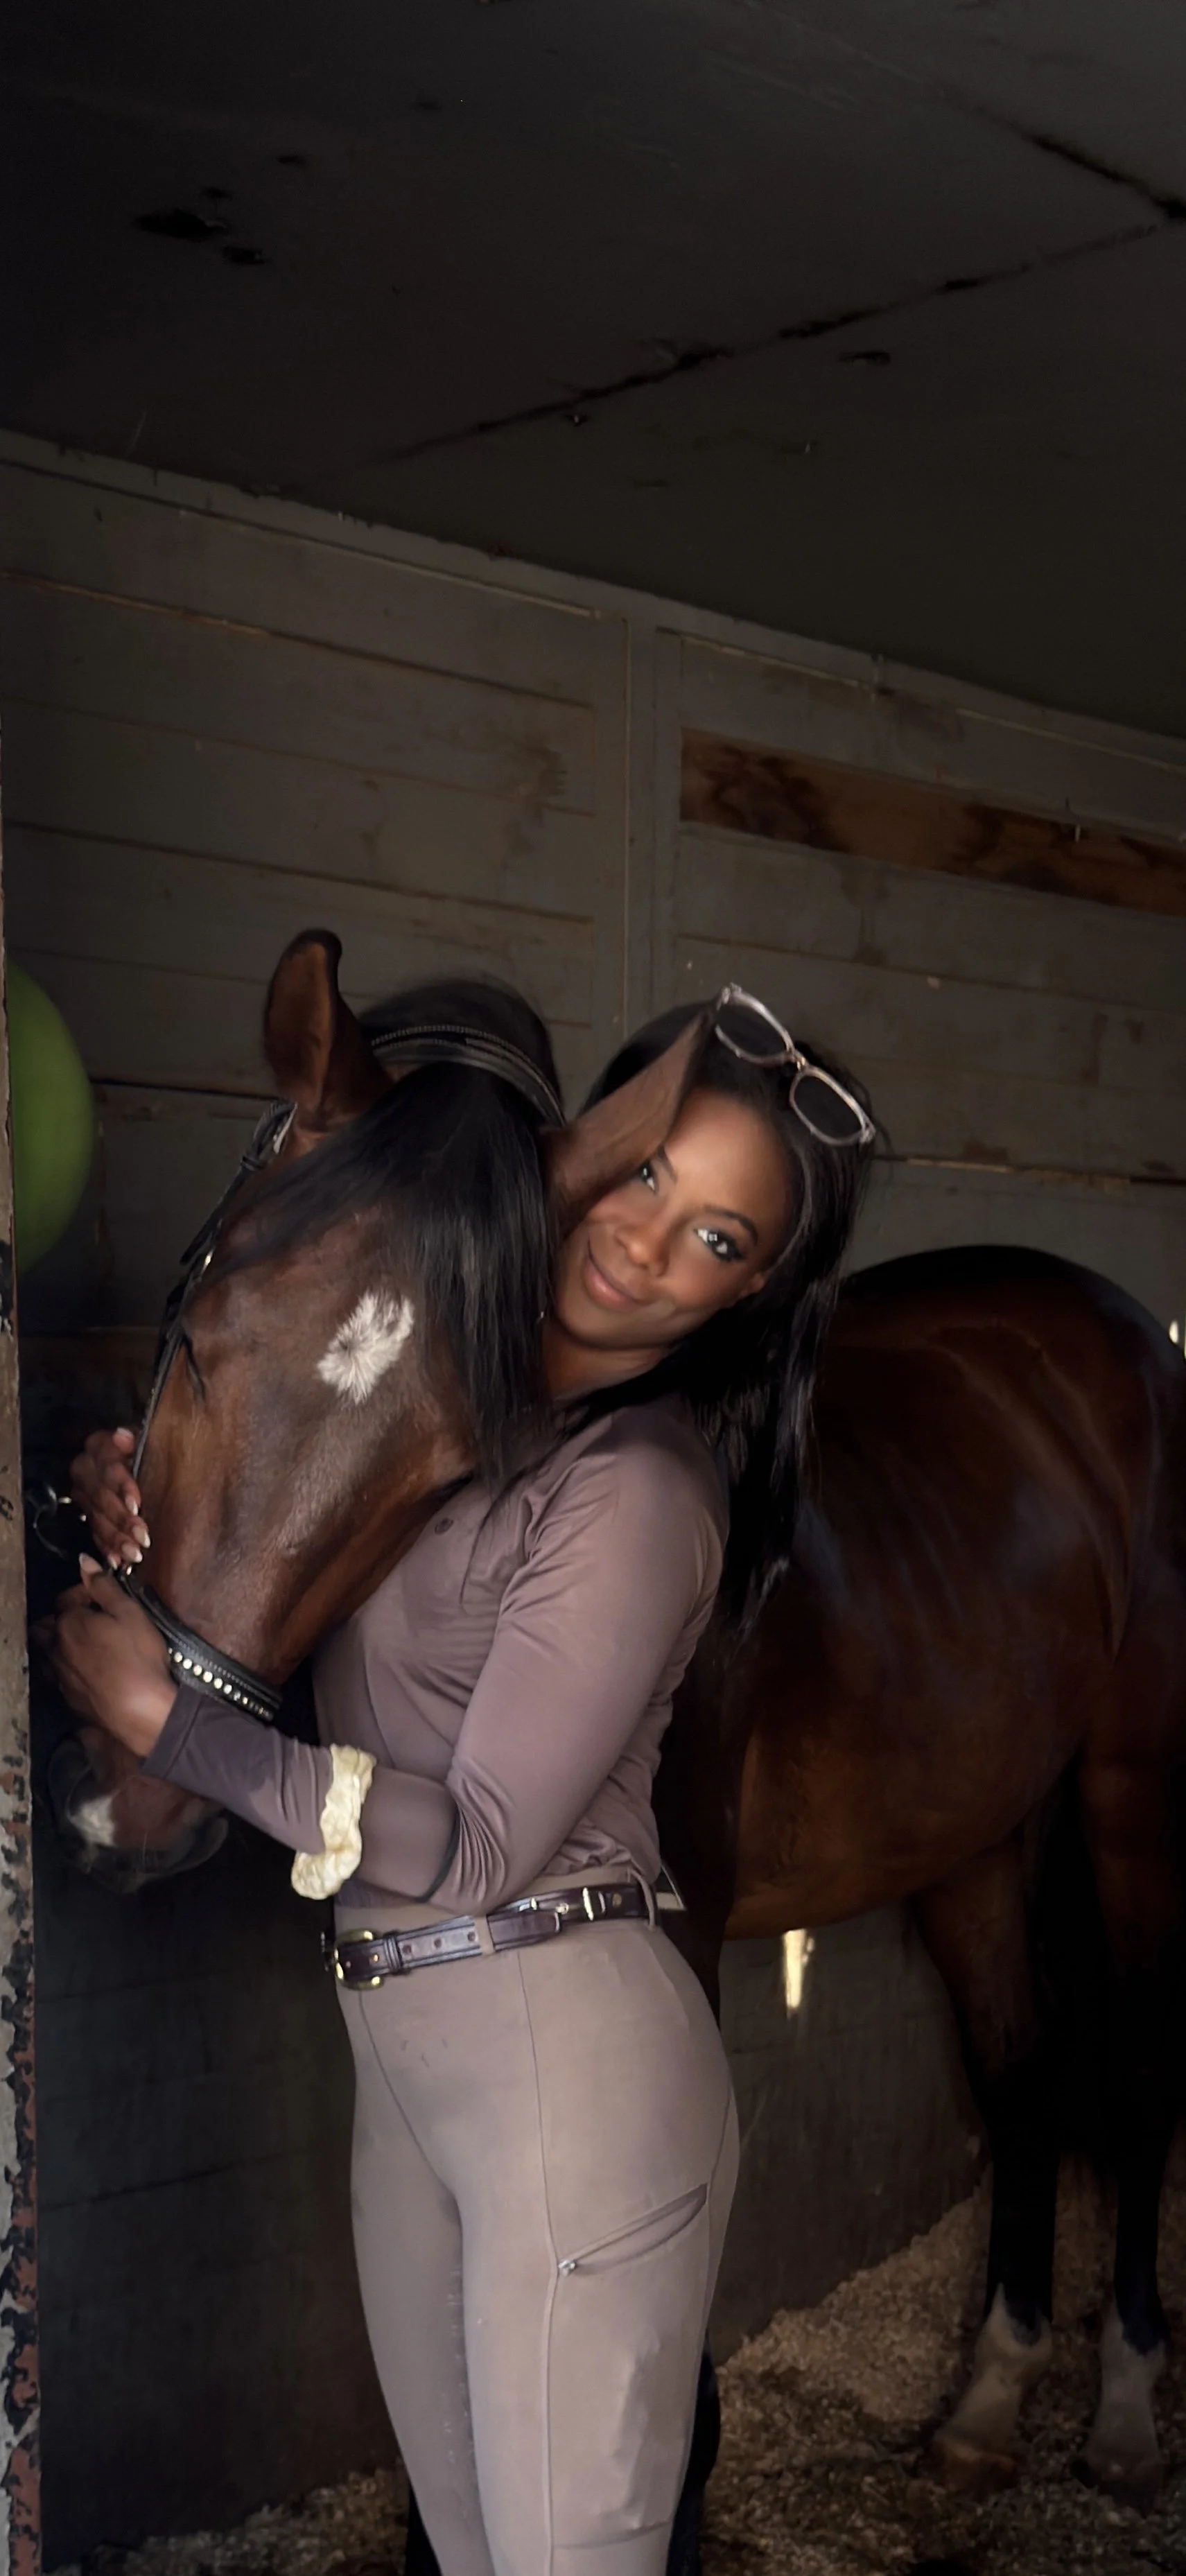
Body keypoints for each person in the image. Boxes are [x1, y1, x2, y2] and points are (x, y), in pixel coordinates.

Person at [55, 984, 873, 2576]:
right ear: (585, 1149)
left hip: (571, 2072)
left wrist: (176, 1730)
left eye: (716, 1236)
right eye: (646, 1175)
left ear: (752, 1288)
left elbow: (483, 1839)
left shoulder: (638, 1485)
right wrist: (142, 1486)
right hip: (409, 2071)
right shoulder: (436, 1408)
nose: (644, 1243)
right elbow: (267, 1557)